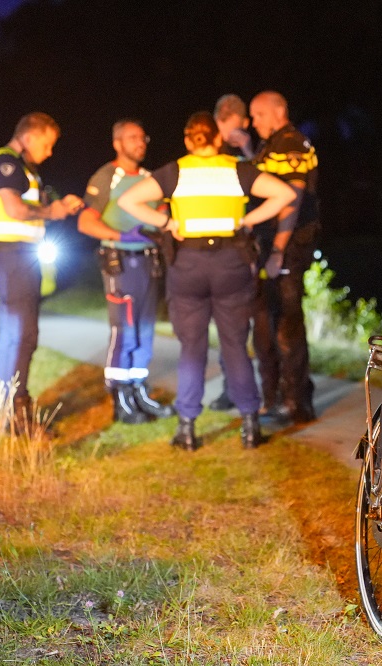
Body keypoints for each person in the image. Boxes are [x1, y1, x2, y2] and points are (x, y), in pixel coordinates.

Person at [118, 112, 295, 450]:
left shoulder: (176, 171)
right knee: (234, 347)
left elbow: (128, 200)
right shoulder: (236, 169)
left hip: (188, 264)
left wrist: (166, 223)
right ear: (216, 139)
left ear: (188, 141)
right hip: (231, 263)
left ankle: (186, 428)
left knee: (192, 349)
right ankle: (250, 426)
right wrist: (246, 220)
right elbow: (284, 195)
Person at [0, 112, 84, 433]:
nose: (49, 152)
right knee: (22, 335)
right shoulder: (4, 164)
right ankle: (16, 414)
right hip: (10, 255)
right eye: (47, 144)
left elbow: (30, 207)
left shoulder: (24, 170)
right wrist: (50, 211)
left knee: (17, 334)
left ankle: (10, 410)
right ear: (27, 137)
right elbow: (14, 209)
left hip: (17, 255)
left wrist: (57, 206)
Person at [77, 119, 175, 424]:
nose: (140, 143)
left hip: (148, 261)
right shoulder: (107, 177)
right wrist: (121, 236)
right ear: (117, 143)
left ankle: (139, 392)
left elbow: (161, 215)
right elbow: (85, 222)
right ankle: (120, 397)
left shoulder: (149, 178)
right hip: (120, 261)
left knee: (145, 331)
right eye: (132, 138)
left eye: (142, 137)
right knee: (125, 329)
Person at [248, 91, 320, 424]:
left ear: (278, 111)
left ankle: (297, 403)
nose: (253, 122)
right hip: (272, 245)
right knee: (271, 320)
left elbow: (290, 200)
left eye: (258, 115)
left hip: (288, 245)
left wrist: (278, 249)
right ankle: (281, 396)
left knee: (288, 324)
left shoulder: (290, 143)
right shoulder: (273, 144)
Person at [208, 94, 256, 412]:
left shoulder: (249, 152)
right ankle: (232, 389)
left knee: (239, 326)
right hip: (214, 250)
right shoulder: (208, 150)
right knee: (226, 325)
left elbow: (260, 185)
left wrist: (249, 150)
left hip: (242, 247)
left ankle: (242, 390)